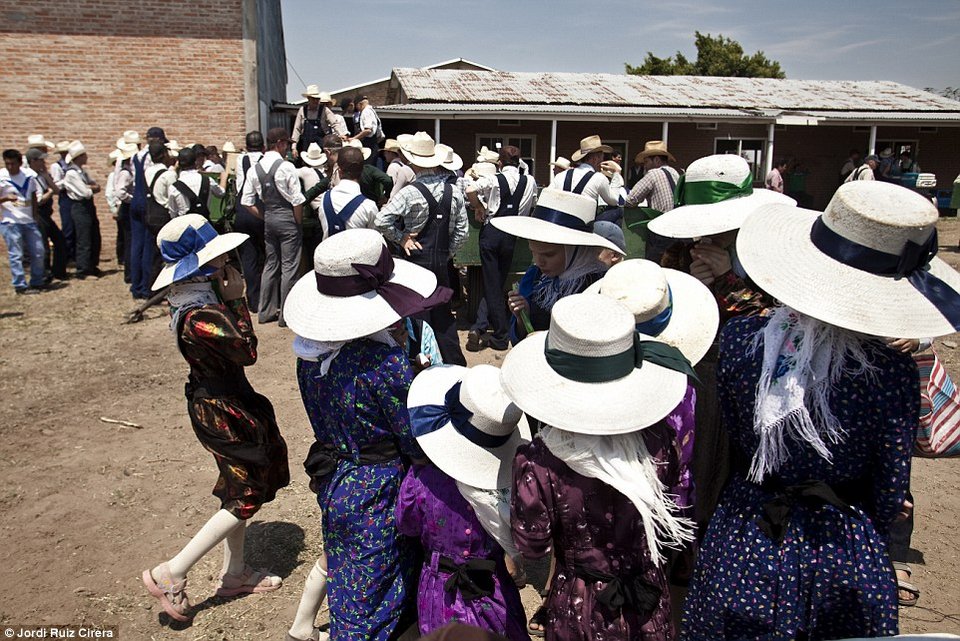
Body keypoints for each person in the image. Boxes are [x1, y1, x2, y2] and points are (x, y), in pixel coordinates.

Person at [681, 180, 960, 639]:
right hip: (838, 542)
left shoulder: (738, 340)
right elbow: (889, 485)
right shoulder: (889, 371)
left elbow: (736, 433)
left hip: (746, 530)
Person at [282, 228, 453, 641]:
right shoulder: (384, 363)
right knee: (378, 589)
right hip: (381, 489)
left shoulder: (311, 355)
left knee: (350, 577)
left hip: (336, 478)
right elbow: (412, 440)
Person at [505, 293, 697, 641]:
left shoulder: (540, 461)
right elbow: (679, 503)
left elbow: (533, 543)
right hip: (648, 596)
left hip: (579, 605)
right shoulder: (660, 441)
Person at [140, 215, 288, 623]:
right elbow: (247, 350)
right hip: (221, 408)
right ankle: (173, 570)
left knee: (238, 485)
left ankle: (235, 573)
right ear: (204, 267)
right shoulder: (200, 314)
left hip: (227, 399)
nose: (227, 261)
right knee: (246, 493)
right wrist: (238, 299)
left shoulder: (196, 301)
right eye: (219, 257)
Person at [647, 153, 796, 533]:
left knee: (738, 459)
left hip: (755, 377)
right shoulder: (682, 251)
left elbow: (782, 317)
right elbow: (663, 305)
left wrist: (728, 280)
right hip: (698, 372)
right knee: (694, 454)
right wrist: (692, 284)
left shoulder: (767, 253)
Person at [399, 364, 531, 640]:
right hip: (493, 589)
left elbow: (407, 523)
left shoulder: (421, 481)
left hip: (439, 591)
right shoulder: (511, 488)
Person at [376, 132, 469, 366]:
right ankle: (454, 367)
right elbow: (463, 233)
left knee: (416, 315)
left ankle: (419, 364)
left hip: (415, 260)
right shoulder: (454, 192)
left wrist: (401, 238)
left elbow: (381, 220)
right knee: (444, 317)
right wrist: (447, 253)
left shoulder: (409, 192)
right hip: (440, 263)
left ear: (412, 161)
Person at [490, 189, 623, 343]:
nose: (539, 262)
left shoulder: (601, 288)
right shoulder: (535, 277)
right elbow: (520, 341)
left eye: (549, 255)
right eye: (533, 252)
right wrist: (523, 318)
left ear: (576, 250)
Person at [466, 145, 537, 352]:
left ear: (500, 163)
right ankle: (480, 327)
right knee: (494, 283)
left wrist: (478, 207)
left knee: (492, 284)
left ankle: (499, 334)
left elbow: (470, 189)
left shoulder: (495, 179)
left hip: (492, 230)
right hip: (511, 233)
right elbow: (532, 204)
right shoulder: (529, 181)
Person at [240, 127, 306, 326]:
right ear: (280, 144)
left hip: (269, 218)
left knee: (271, 264)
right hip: (287, 219)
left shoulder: (254, 169)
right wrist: (298, 223)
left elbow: (246, 201)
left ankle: (265, 311)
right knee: (289, 267)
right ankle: (286, 315)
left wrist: (264, 216)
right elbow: (296, 201)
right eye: (286, 144)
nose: (287, 148)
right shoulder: (286, 167)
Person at [625, 141, 681, 264]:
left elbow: (631, 199)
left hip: (661, 227)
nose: (644, 166)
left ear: (656, 160)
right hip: (677, 227)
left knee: (653, 265)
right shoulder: (675, 173)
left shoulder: (653, 174)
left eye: (646, 162)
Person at [1, 149, 46, 294]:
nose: (10, 167)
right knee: (16, 254)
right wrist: (6, 198)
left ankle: (37, 281)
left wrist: (34, 215)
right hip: (11, 220)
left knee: (38, 251)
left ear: (20, 163)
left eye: (13, 164)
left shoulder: (28, 176)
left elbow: (33, 194)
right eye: (7, 164)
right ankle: (20, 285)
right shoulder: (2, 177)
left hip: (28, 220)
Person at [234, 131, 266, 313]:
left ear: (246, 147)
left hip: (243, 209)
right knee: (269, 256)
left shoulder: (241, 160)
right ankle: (269, 299)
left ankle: (253, 301)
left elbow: (240, 186)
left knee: (249, 257)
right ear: (263, 147)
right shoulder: (267, 160)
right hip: (260, 209)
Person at [61, 142, 102, 279]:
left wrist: (92, 187)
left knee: (93, 235)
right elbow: (85, 192)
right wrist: (92, 188)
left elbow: (95, 185)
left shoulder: (82, 172)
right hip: (79, 206)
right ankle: (83, 270)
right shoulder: (72, 174)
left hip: (87, 206)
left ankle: (91, 265)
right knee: (83, 238)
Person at [318, 146, 378, 239]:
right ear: (362, 171)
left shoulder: (324, 199)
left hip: (327, 252)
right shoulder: (369, 207)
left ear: (339, 171)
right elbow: (374, 241)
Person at [26, 147, 67, 282]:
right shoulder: (30, 177)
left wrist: (47, 179)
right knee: (43, 245)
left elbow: (56, 190)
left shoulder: (41, 175)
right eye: (41, 160)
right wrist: (49, 192)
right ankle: (45, 274)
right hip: (38, 213)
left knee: (60, 240)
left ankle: (58, 272)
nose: (44, 163)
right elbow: (39, 200)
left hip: (46, 214)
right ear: (33, 161)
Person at [550, 135, 621, 207]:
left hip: (561, 217)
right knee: (617, 211)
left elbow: (548, 196)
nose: (602, 161)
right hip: (584, 218)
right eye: (602, 158)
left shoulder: (560, 176)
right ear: (595, 159)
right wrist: (617, 173)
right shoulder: (599, 178)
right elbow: (614, 201)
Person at [168, 147, 226, 218]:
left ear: (179, 164)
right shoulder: (208, 180)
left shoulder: (173, 187)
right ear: (195, 162)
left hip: (184, 225)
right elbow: (220, 193)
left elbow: (173, 213)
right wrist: (224, 178)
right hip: (204, 223)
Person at [292, 86, 336, 160]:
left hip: (321, 145)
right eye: (313, 99)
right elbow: (297, 129)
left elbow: (335, 123)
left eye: (317, 99)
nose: (316, 101)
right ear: (308, 99)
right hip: (306, 146)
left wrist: (342, 134)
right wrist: (294, 147)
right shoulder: (302, 110)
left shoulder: (324, 110)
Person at [49, 140, 76, 261]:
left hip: (74, 196)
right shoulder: (56, 166)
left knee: (75, 226)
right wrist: (68, 181)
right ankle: (67, 254)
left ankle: (73, 253)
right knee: (68, 226)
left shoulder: (72, 165)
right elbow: (56, 185)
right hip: (65, 197)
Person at [350, 95, 383, 166]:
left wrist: (354, 138)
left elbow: (368, 130)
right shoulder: (371, 111)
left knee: (367, 166)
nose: (357, 109)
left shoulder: (366, 112)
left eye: (357, 106)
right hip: (373, 143)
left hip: (369, 143)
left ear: (360, 104)